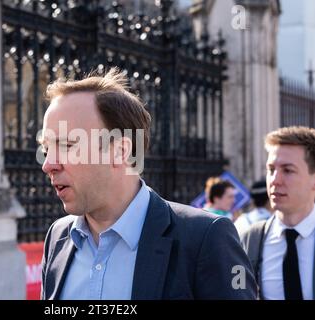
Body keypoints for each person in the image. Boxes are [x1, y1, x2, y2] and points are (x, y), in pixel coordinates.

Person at [40, 68, 256, 300]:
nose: (48, 164)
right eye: (46, 149)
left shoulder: (206, 238)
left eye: (67, 145)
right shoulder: (57, 237)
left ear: (120, 151)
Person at [241, 126, 315, 300]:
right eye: (271, 170)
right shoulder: (247, 241)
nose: (275, 180)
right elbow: (236, 291)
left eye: (288, 170)